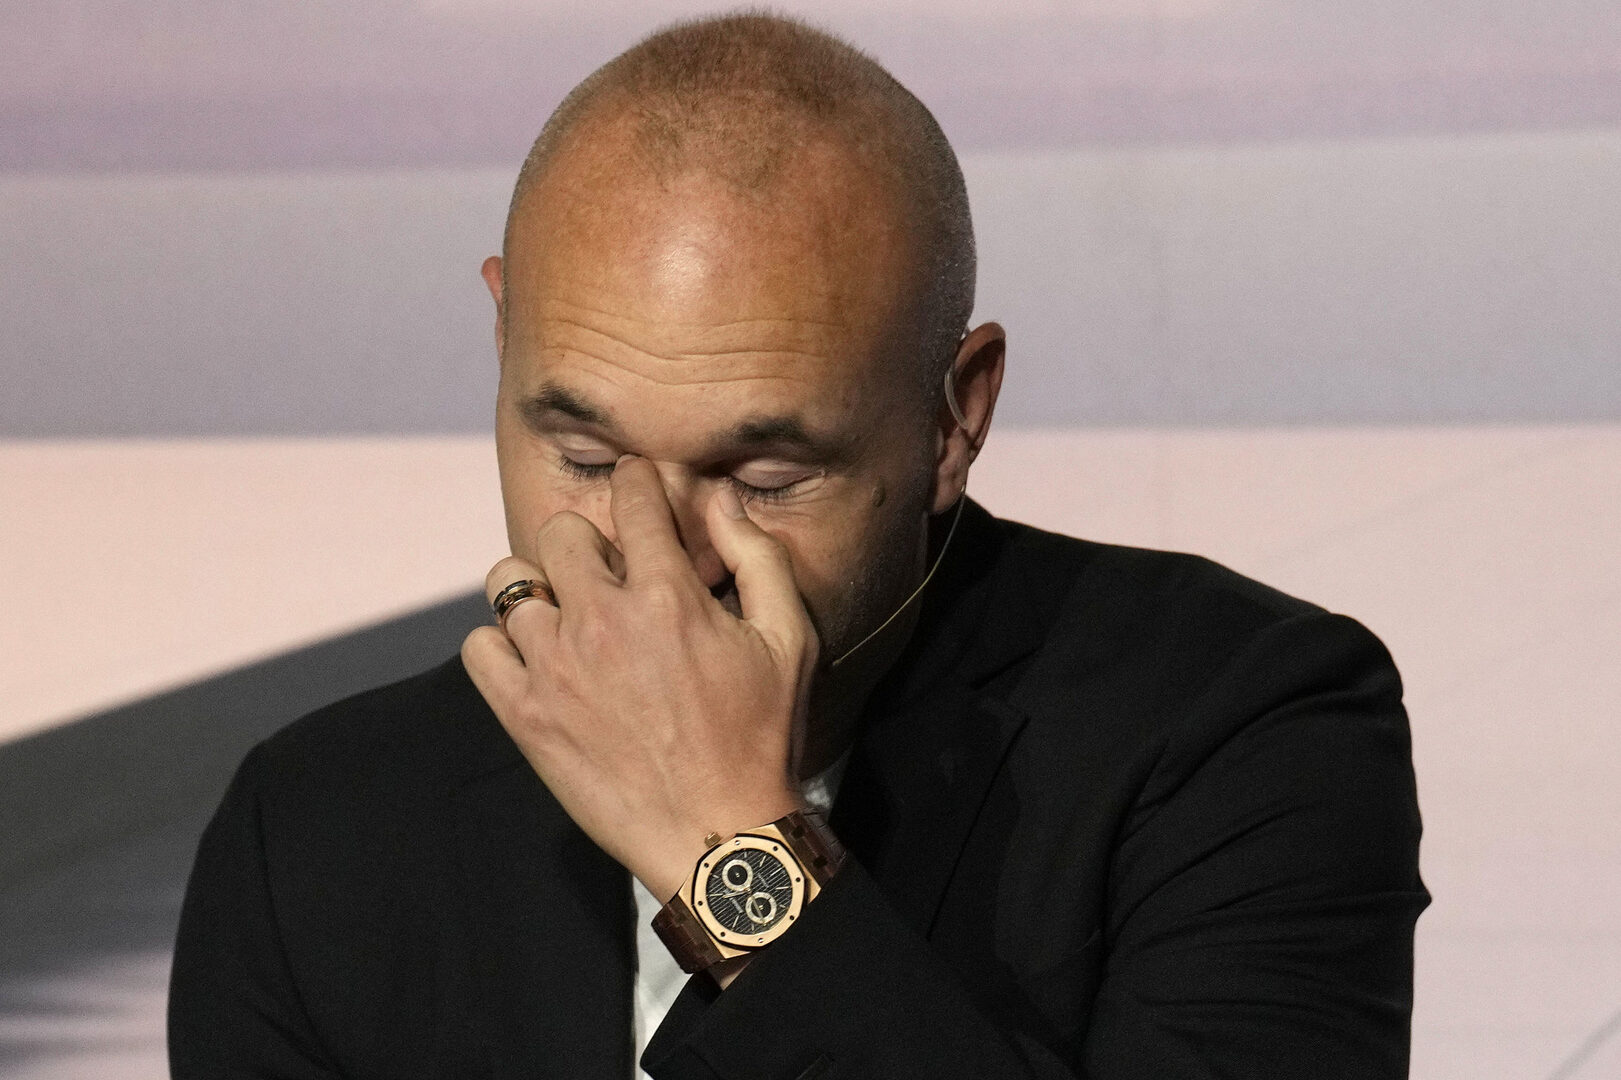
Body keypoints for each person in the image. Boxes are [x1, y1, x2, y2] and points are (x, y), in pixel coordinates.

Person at [168, 12, 1429, 1079]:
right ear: (503, 346)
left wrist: (728, 851)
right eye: (585, 457)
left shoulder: (1241, 729)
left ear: (954, 419)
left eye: (763, 479)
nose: (659, 557)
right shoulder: (318, 831)